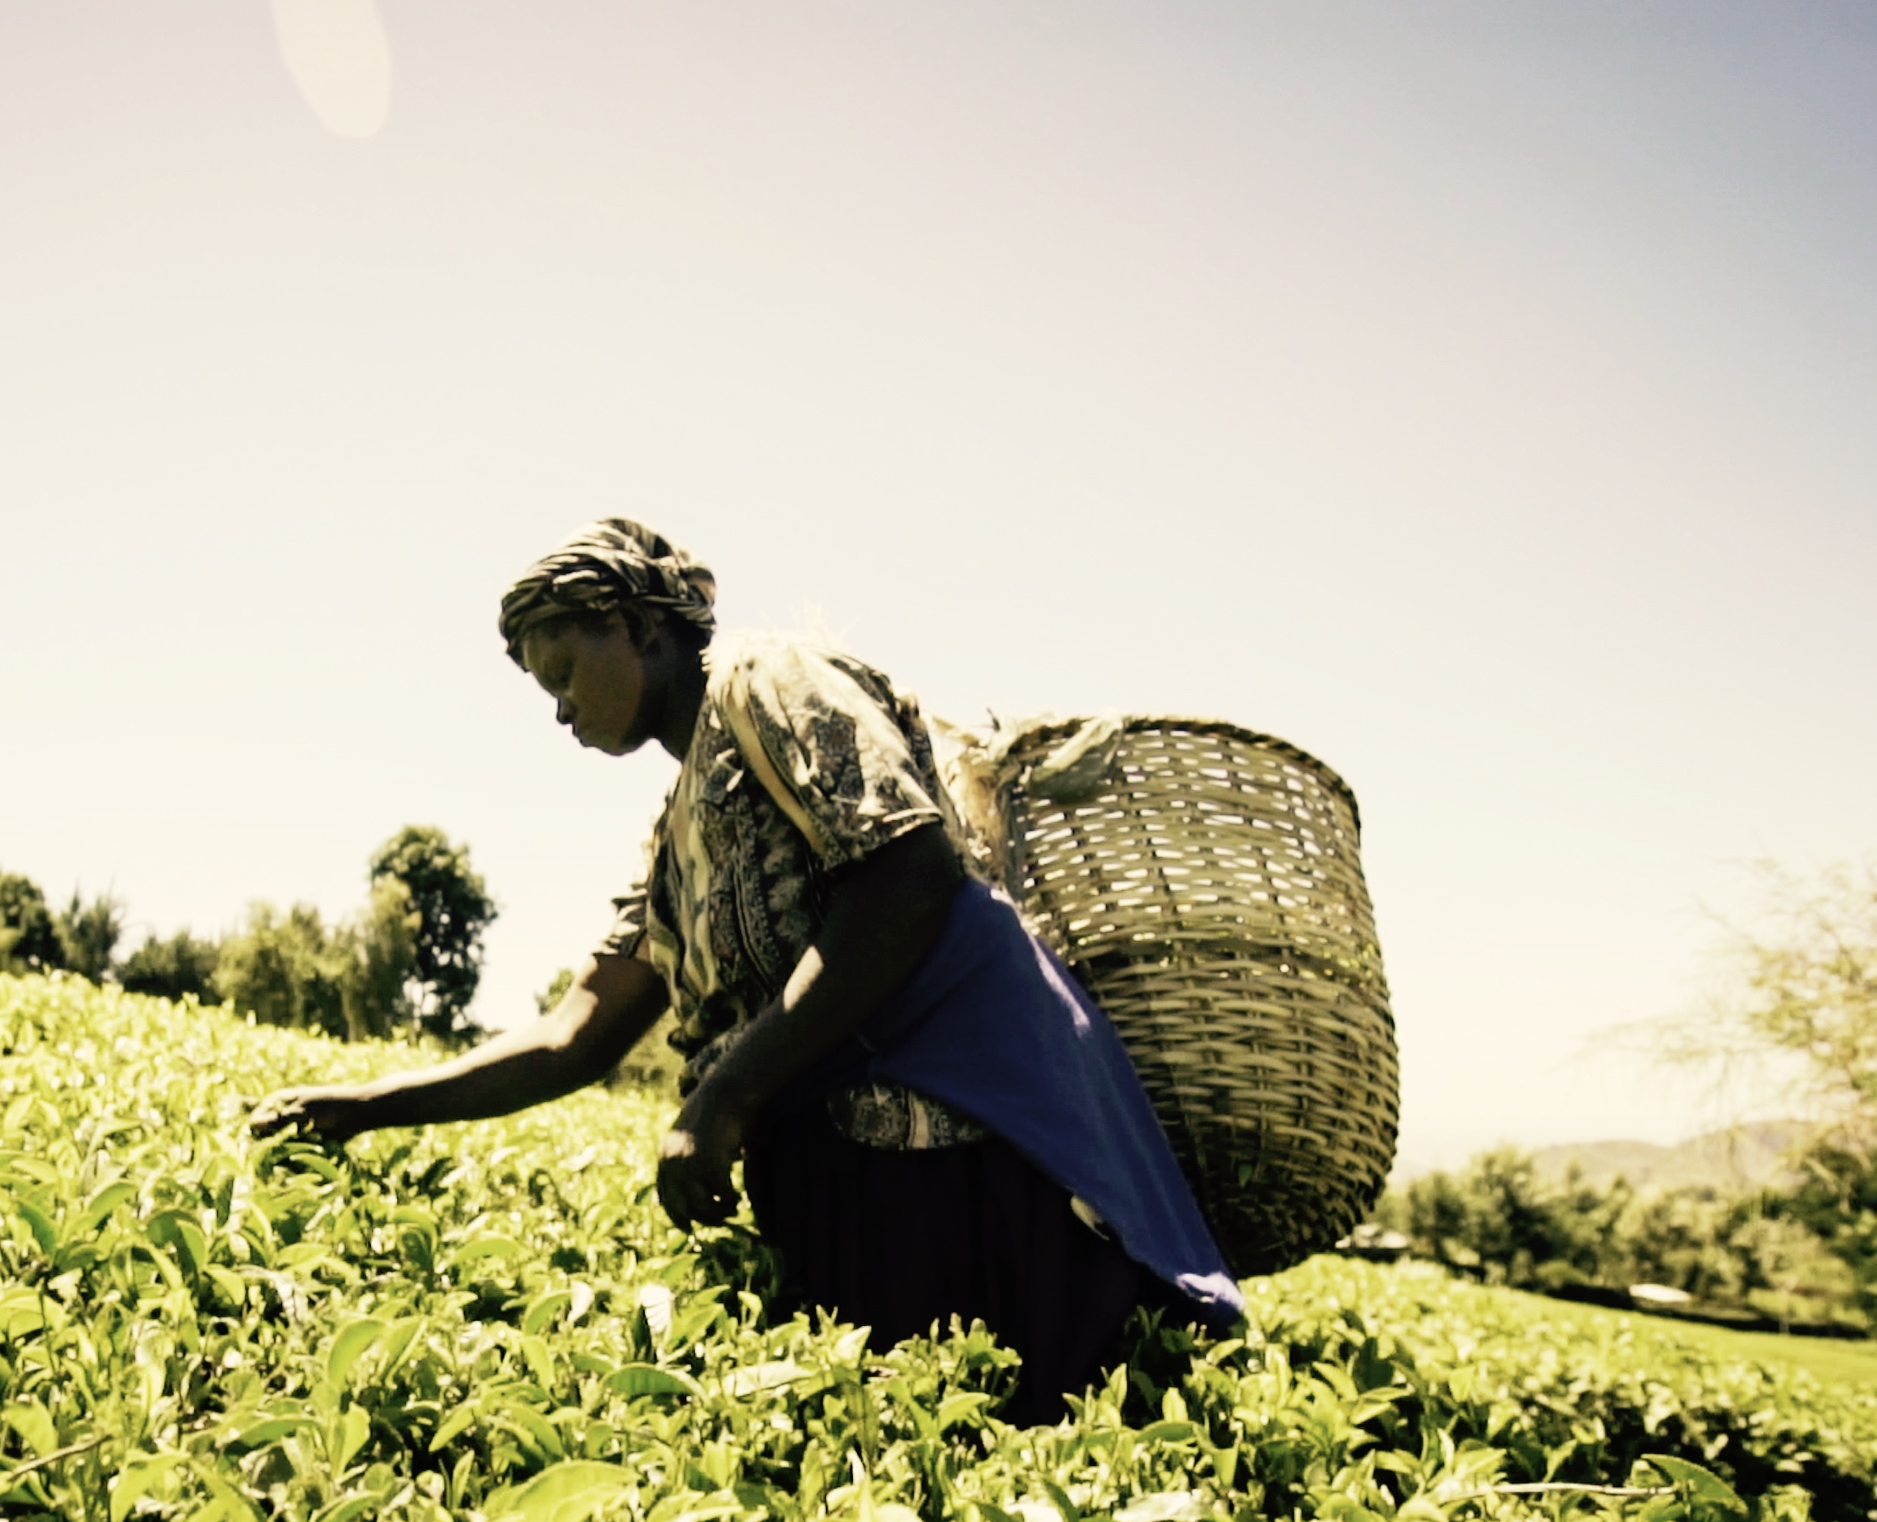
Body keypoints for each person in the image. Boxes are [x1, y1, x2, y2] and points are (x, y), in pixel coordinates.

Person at [251, 519, 1239, 1423]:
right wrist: (363, 1105)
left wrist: (729, 1088)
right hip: (848, 1192)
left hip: (959, 1156)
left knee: (1012, 1442)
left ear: (635, 627)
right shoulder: (673, 838)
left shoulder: (772, 680)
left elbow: (907, 873)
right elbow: (572, 1035)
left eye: (563, 671)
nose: (558, 711)